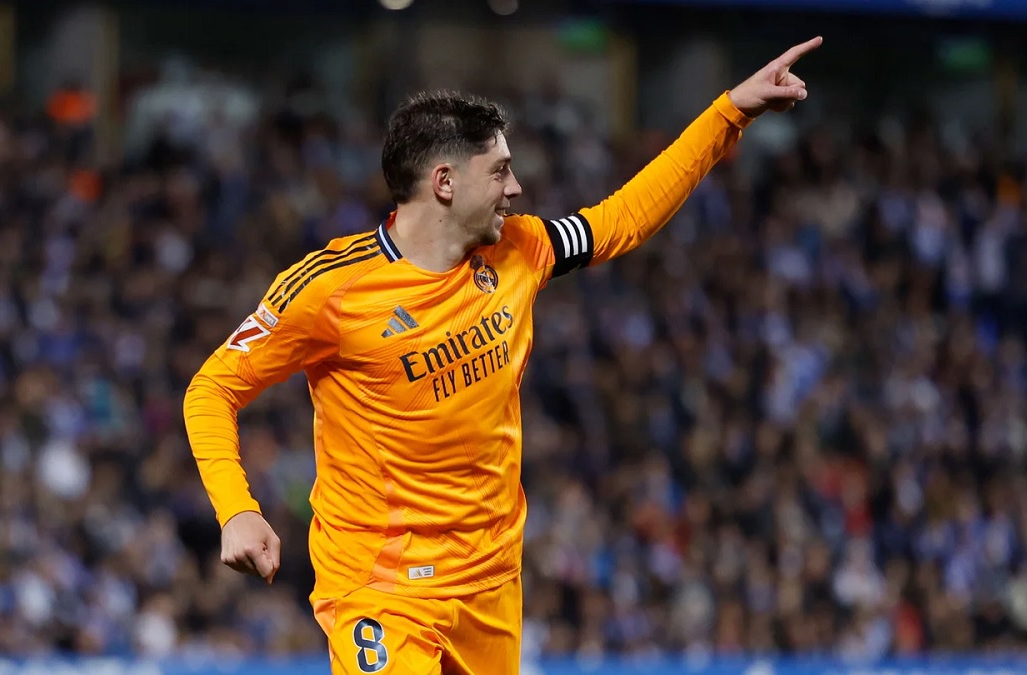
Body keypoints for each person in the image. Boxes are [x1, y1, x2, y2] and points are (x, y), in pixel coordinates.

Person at [183, 36, 823, 674]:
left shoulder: (519, 250)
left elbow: (623, 218)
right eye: (498, 171)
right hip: (381, 589)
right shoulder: (331, 289)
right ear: (444, 182)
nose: (515, 186)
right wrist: (237, 509)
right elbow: (212, 389)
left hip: (490, 582)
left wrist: (730, 112)